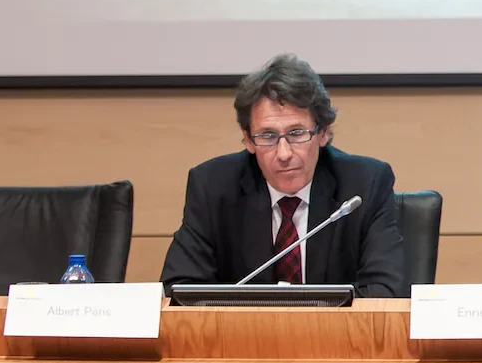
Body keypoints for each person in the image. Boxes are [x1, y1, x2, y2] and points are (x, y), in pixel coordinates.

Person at [160, 54, 407, 296]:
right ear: (248, 139)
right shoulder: (213, 187)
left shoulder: (365, 185)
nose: (283, 153)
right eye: (267, 136)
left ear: (323, 132)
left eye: (297, 133)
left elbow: (386, 292)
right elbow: (177, 289)